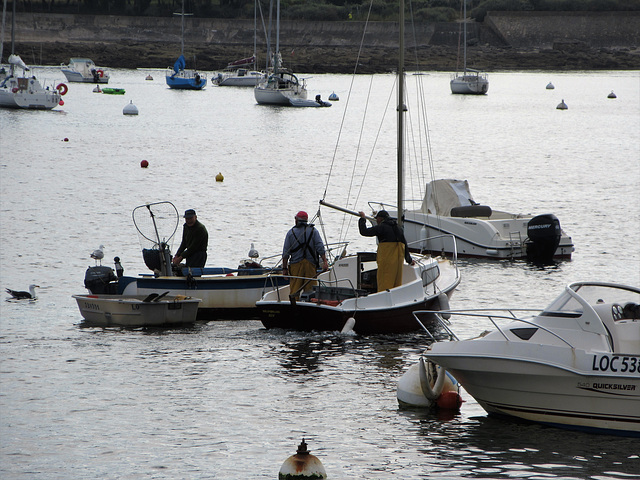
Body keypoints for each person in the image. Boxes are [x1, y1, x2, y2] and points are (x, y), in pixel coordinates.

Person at [358, 210, 414, 292]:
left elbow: (364, 232)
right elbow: (404, 245)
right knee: (396, 285)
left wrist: (362, 219)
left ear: (380, 219)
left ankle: (383, 299)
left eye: (377, 219)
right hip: (398, 262)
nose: (376, 221)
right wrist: (409, 260)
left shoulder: (381, 227)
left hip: (386, 261)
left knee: (384, 284)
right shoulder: (398, 228)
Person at [282, 211, 328, 300]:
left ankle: (294, 307)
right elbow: (320, 248)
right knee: (311, 291)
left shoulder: (291, 233)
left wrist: (284, 269)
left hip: (295, 266)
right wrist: (325, 261)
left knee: (295, 290)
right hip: (310, 266)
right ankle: (310, 307)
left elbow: (285, 253)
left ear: (297, 220)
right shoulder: (314, 231)